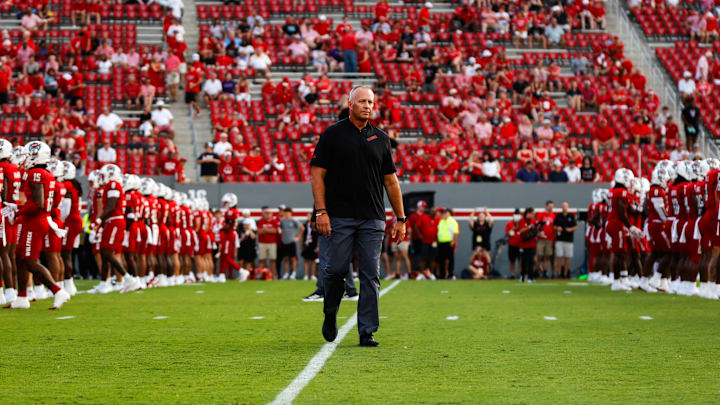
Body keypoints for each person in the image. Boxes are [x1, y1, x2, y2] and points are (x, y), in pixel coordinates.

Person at [311, 85, 405, 347]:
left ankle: (367, 331)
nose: (367, 106)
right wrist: (321, 211)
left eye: (371, 102)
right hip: (339, 216)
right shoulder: (332, 135)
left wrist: (401, 219)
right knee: (336, 270)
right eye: (362, 101)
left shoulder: (382, 139)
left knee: (370, 274)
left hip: (372, 217)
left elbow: (391, 182)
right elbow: (317, 174)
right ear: (350, 104)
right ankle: (330, 313)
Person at [10, 141, 71, 309]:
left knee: (30, 261)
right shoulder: (43, 172)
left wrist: (17, 211)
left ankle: (58, 290)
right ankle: (21, 297)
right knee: (20, 258)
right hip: (37, 220)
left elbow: (38, 203)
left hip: (35, 221)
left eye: (28, 155)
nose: (25, 158)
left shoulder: (36, 173)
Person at [553, 201, 577, 278]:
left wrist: (570, 229)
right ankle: (559, 273)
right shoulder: (558, 216)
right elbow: (554, 226)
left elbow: (576, 226)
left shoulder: (571, 216)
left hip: (569, 240)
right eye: (563, 206)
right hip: (559, 239)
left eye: (565, 206)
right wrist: (557, 228)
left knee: (567, 257)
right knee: (559, 257)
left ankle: (566, 274)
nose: (564, 207)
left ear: (568, 207)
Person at [278, 207, 302, 280]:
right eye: (285, 212)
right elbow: (281, 229)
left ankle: (293, 274)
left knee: (293, 258)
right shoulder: (282, 221)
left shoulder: (294, 220)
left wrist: (298, 237)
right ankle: (286, 274)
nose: (287, 214)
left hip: (292, 242)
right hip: (284, 241)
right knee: (285, 258)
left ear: (291, 213)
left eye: (288, 212)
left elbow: (302, 228)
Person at [256, 206, 280, 278]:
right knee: (261, 260)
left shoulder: (274, 221)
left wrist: (265, 230)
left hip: (272, 243)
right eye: (266, 213)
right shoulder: (260, 221)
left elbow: (275, 231)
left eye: (269, 213)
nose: (267, 214)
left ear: (271, 214)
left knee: (273, 260)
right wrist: (269, 230)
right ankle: (260, 275)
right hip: (262, 243)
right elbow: (259, 232)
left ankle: (274, 275)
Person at [436, 208, 459, 279]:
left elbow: (456, 232)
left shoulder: (452, 221)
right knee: (441, 259)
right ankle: (442, 275)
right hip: (441, 243)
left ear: (450, 214)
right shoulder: (441, 221)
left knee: (450, 259)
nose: (445, 214)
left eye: (446, 213)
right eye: (444, 213)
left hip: (449, 243)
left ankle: (450, 274)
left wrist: (453, 241)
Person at [517, 207, 538, 283]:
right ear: (528, 213)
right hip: (523, 244)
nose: (533, 215)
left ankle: (530, 277)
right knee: (524, 261)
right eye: (533, 214)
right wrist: (529, 227)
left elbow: (536, 230)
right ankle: (522, 276)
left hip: (532, 243)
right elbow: (521, 231)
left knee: (531, 261)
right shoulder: (521, 221)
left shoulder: (533, 220)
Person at [505, 208, 522, 279]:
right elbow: (507, 234)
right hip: (512, 245)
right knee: (512, 260)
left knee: (520, 260)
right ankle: (512, 274)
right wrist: (513, 229)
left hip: (520, 244)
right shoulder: (509, 224)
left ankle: (521, 274)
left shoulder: (522, 223)